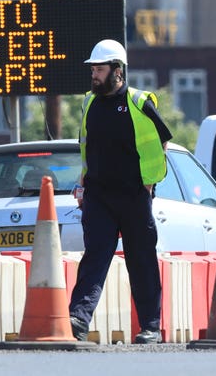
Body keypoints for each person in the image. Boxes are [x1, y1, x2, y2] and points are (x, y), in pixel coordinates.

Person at [69, 39, 172, 344]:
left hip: (133, 197)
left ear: (118, 70)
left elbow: (162, 140)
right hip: (99, 196)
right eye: (93, 70)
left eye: (99, 69)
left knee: (141, 261)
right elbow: (84, 146)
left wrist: (150, 182)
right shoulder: (89, 103)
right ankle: (78, 318)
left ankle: (150, 326)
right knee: (95, 257)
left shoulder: (139, 103)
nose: (94, 75)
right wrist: (84, 183)